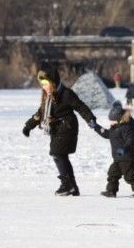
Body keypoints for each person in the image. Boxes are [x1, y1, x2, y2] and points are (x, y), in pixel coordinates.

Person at [21, 64, 99, 196]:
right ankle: (72, 186)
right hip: (56, 129)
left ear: (53, 82)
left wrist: (90, 119)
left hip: (68, 127)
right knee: (60, 155)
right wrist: (29, 125)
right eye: (42, 84)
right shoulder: (48, 97)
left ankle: (67, 185)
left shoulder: (66, 94)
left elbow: (80, 107)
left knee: (57, 153)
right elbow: (40, 113)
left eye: (46, 83)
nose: (44, 87)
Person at [94, 100, 134, 198]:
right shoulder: (114, 128)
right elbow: (106, 134)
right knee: (112, 173)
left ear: (119, 119)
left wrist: (124, 149)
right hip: (118, 158)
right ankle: (111, 191)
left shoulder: (127, 127)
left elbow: (130, 140)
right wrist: (96, 127)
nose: (111, 122)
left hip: (127, 158)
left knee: (129, 176)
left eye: (112, 120)